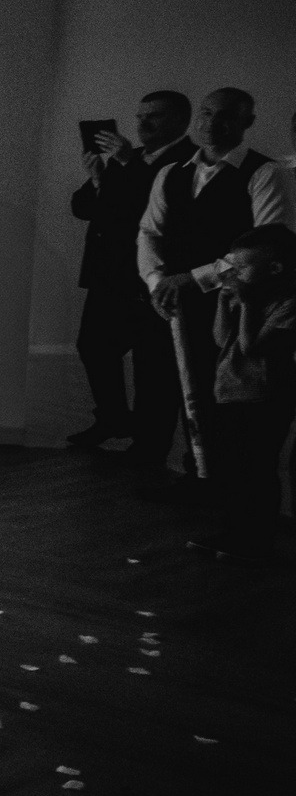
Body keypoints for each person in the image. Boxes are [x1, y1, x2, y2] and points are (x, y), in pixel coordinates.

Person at [139, 88, 291, 482]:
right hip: (167, 300)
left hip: (230, 302)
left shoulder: (265, 173)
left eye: (225, 115)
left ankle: (213, 481)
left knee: (216, 394)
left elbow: (269, 246)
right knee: (158, 385)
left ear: (247, 122)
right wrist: (157, 281)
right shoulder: (170, 173)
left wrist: (192, 279)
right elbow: (149, 233)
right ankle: (156, 471)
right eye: (206, 113)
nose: (212, 123)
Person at [70, 91, 195, 463]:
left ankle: (149, 445)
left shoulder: (189, 160)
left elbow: (159, 210)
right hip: (109, 274)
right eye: (140, 116)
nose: (142, 123)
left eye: (154, 116)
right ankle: (113, 418)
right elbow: (82, 207)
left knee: (153, 365)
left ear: (181, 120)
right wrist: (97, 179)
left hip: (151, 278)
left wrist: (126, 163)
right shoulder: (130, 158)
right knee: (93, 347)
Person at [193, 224, 296, 559]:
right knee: (234, 467)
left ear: (274, 267)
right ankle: (235, 532)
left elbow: (252, 348)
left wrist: (248, 305)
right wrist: (224, 303)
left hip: (266, 399)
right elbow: (222, 339)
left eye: (243, 267)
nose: (234, 274)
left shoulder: (287, 304)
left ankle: (257, 540)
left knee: (258, 469)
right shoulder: (250, 296)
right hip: (232, 392)